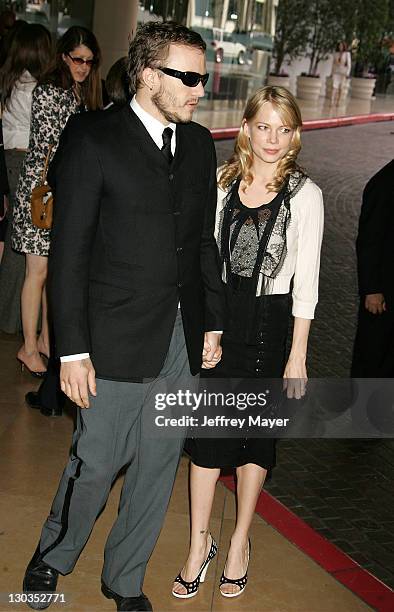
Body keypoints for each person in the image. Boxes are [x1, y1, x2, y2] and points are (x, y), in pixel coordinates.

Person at [22, 20, 224, 612]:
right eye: (187, 77)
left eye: (202, 77)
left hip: (180, 339)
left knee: (157, 469)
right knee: (96, 464)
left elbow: (202, 245)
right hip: (111, 338)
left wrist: (211, 321)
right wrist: (72, 351)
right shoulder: (93, 138)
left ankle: (125, 579)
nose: (198, 89)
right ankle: (52, 555)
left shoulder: (196, 146)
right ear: (146, 75)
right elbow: (70, 255)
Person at [173, 86, 324, 599]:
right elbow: (201, 261)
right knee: (208, 438)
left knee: (255, 439)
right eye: (263, 126)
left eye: (283, 129)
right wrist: (205, 328)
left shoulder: (306, 195)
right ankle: (199, 544)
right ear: (246, 127)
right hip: (221, 317)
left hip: (268, 324)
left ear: (296, 134)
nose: (272, 139)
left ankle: (238, 541)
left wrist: (296, 355)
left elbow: (307, 284)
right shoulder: (221, 183)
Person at [25, 56, 132, 418]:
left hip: (85, 245)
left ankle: (55, 394)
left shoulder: (86, 124)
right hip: (115, 259)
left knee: (72, 313)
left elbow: (56, 173)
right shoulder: (146, 137)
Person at [11, 26, 102, 377]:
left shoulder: (77, 91)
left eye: (89, 61)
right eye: (77, 59)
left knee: (52, 271)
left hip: (58, 190)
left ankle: (47, 342)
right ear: (64, 56)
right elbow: (51, 143)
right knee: (37, 272)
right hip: (42, 192)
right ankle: (29, 347)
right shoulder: (51, 91)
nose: (83, 66)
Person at [0, 23, 53, 334]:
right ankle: (12, 320)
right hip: (25, 164)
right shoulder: (35, 89)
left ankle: (10, 317)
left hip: (8, 159)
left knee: (14, 241)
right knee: (24, 246)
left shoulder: (9, 81)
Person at [351, 159, 394, 377]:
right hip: (383, 292)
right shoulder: (385, 182)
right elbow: (369, 240)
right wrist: (372, 289)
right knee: (374, 355)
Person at [331, 41, 351, 106]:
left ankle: (338, 102)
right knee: (334, 87)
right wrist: (332, 72)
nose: (340, 47)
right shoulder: (336, 54)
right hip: (336, 72)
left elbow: (349, 64)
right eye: (339, 46)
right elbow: (333, 63)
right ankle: (332, 101)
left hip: (343, 73)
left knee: (341, 88)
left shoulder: (347, 54)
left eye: (341, 46)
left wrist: (347, 73)